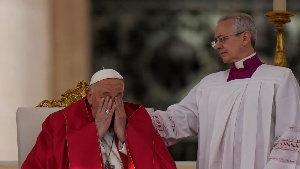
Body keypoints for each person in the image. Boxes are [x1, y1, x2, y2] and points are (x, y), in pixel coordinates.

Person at [149, 13, 300, 169]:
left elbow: (290, 138)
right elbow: (177, 120)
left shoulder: (279, 79)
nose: (217, 46)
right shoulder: (209, 85)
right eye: (215, 40)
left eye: (222, 39)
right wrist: (131, 118)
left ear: (245, 38)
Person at [22, 69, 177, 169]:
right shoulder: (60, 122)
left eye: (117, 97)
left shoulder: (137, 119)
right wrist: (94, 135)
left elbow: (164, 165)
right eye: (105, 97)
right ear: (90, 96)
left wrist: (125, 136)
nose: (111, 104)